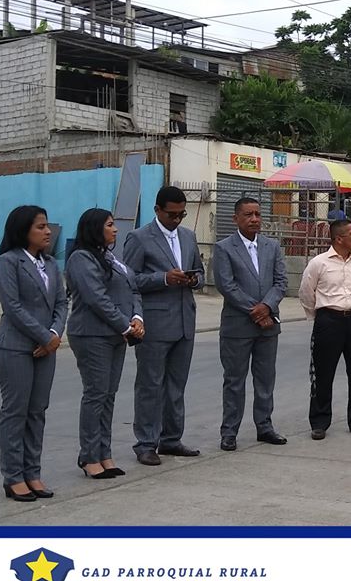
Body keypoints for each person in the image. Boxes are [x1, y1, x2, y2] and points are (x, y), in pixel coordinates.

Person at [123, 186, 204, 466]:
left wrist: (194, 279)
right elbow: (129, 280)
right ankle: (146, 443)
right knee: (150, 385)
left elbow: (200, 271)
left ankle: (171, 439)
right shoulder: (139, 238)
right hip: (155, 323)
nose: (177, 219)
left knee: (176, 386)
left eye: (182, 214)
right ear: (157, 210)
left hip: (184, 322)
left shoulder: (188, 236)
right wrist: (163, 279)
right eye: (172, 215)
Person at [0, 205, 68, 502]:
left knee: (37, 411)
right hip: (15, 347)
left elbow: (61, 303)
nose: (48, 231)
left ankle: (32, 472)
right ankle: (13, 477)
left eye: (47, 226)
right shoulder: (7, 262)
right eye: (40, 226)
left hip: (46, 348)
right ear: (23, 230)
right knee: (16, 412)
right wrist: (45, 337)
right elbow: (13, 307)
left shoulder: (50, 264)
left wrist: (54, 334)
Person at [65, 209, 143, 479]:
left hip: (116, 335)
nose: (115, 229)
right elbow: (96, 298)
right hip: (92, 335)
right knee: (96, 394)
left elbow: (132, 288)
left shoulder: (110, 257)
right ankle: (89, 456)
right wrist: (125, 326)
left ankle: (104, 453)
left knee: (108, 395)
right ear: (95, 228)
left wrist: (136, 317)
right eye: (110, 225)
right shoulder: (81, 258)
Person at [212, 198, 289, 451]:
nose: (254, 219)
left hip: (268, 326)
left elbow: (281, 282)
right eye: (248, 215)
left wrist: (267, 306)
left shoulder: (272, 246)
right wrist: (256, 311)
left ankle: (264, 426)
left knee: (265, 379)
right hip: (237, 326)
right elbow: (226, 285)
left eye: (257, 214)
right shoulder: (224, 248)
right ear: (236, 218)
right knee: (234, 381)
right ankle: (229, 431)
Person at [298, 218, 351, 440]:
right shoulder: (319, 263)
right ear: (339, 238)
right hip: (328, 321)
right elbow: (306, 293)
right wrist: (320, 317)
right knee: (323, 373)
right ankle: (319, 422)